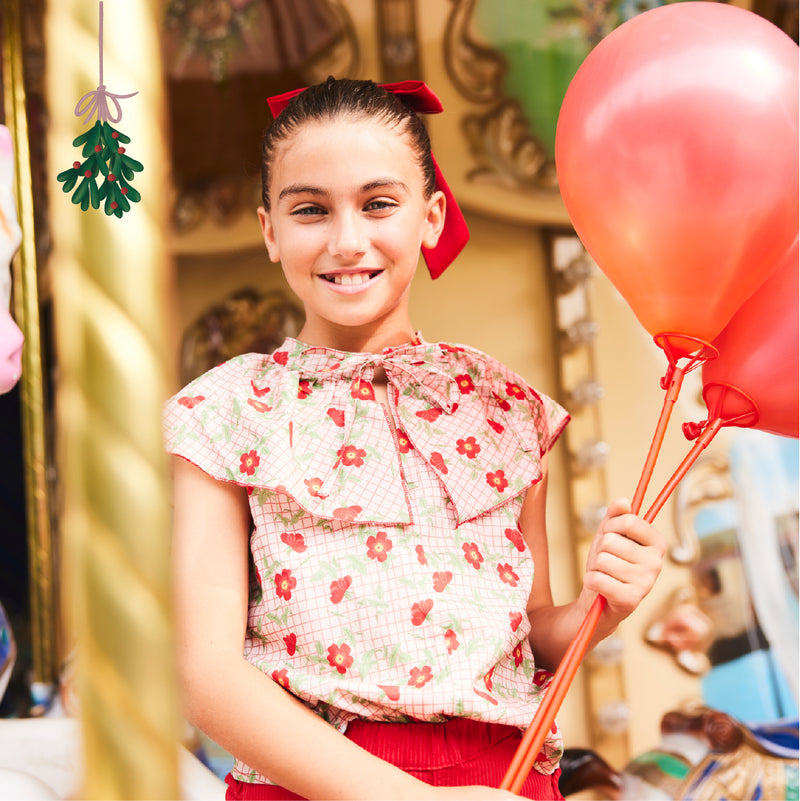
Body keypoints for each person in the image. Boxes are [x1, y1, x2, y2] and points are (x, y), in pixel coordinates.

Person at [163, 77, 665, 801]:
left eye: (377, 204)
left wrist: (601, 606)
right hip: (315, 783)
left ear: (430, 217)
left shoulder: (503, 408)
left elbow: (527, 631)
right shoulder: (226, 411)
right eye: (310, 209)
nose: (347, 239)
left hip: (506, 779)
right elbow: (204, 675)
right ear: (270, 230)